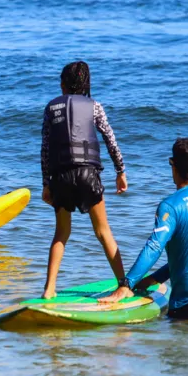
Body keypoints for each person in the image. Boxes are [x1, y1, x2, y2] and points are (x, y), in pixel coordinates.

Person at [100, 137, 188, 319]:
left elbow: (154, 247)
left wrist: (127, 284)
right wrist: (154, 279)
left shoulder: (170, 207)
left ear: (173, 166)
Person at [41, 60, 128, 299]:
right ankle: (124, 285)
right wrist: (120, 171)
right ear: (86, 84)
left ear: (62, 84)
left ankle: (49, 290)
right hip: (88, 175)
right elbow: (110, 140)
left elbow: (45, 149)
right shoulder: (94, 106)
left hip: (60, 177)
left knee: (61, 234)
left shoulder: (50, 108)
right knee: (103, 232)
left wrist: (46, 185)